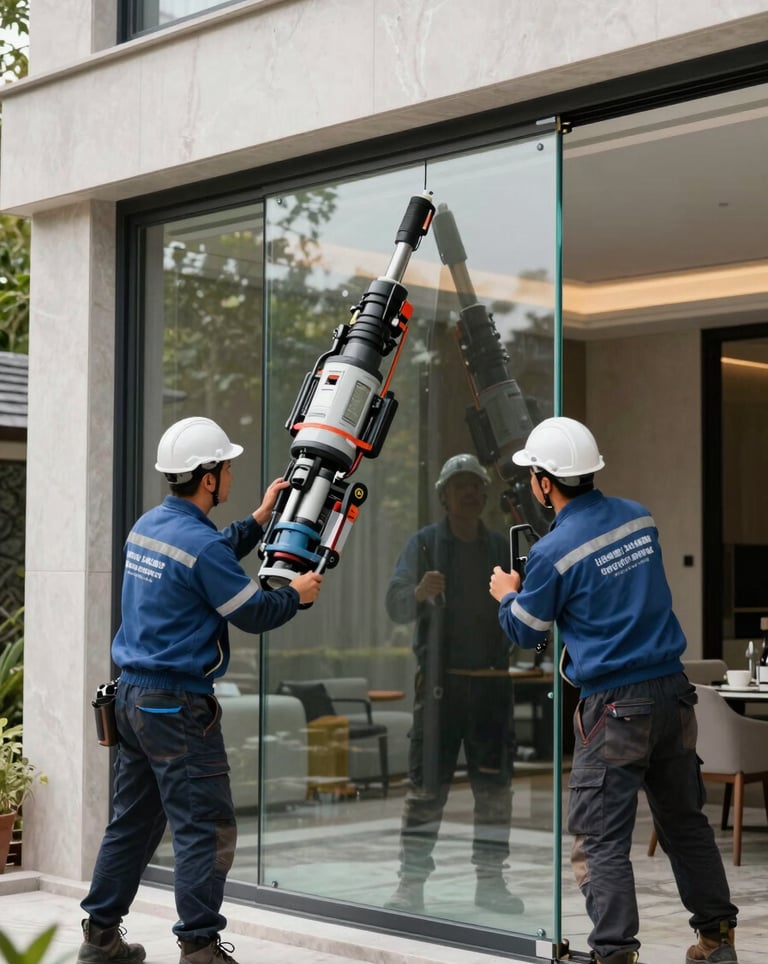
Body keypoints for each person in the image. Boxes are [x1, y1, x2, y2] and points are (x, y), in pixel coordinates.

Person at [489, 416, 738, 964]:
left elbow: (526, 632)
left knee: (601, 839)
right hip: (674, 693)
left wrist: (508, 593)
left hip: (616, 708)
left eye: (532, 475)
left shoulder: (553, 551)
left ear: (544, 483)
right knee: (686, 825)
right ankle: (718, 942)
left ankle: (614, 954)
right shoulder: (639, 518)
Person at [77, 416, 323, 964]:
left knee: (131, 824)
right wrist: (298, 594)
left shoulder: (148, 527)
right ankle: (200, 949)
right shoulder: (201, 547)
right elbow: (254, 612)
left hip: (132, 699)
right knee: (204, 827)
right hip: (176, 708)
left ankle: (99, 939)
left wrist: (257, 520)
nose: (230, 474)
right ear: (208, 478)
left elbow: (204, 557)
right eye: (227, 467)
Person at [383, 453, 524, 915]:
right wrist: (418, 592)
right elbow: (395, 604)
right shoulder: (424, 545)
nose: (470, 492)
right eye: (460, 485)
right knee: (426, 789)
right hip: (439, 689)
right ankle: (411, 884)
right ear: (444, 496)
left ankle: (491, 883)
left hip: (491, 686)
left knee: (494, 790)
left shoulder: (500, 547)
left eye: (476, 485)